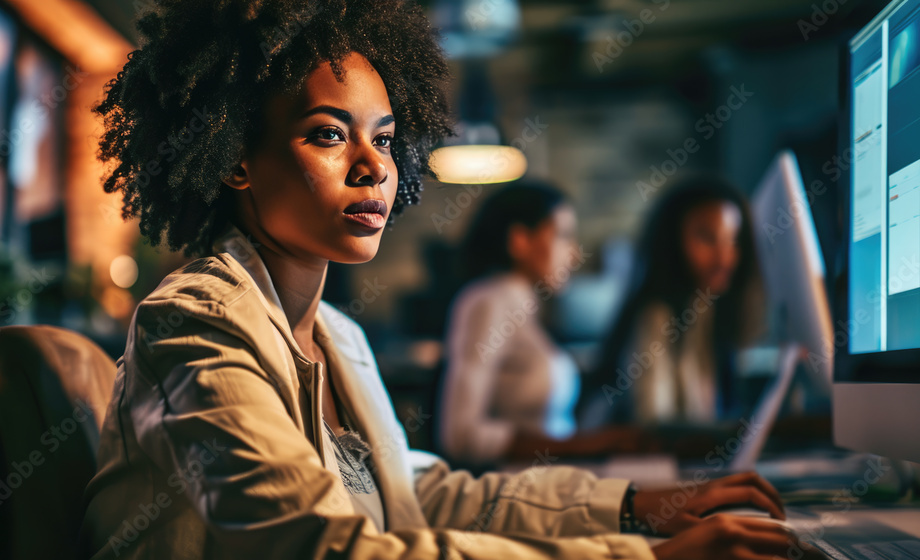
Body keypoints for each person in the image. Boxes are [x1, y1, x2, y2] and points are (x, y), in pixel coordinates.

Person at [79, 2, 810, 559]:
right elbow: (321, 546)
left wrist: (641, 505)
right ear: (235, 156)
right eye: (331, 134)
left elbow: (423, 492)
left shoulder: (340, 336)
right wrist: (642, 555)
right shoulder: (196, 320)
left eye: (386, 139)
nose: (375, 168)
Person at [438, 181, 658, 466]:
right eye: (563, 235)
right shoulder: (488, 302)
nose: (575, 254)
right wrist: (581, 446)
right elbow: (460, 435)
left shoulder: (524, 306)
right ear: (520, 240)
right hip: (519, 492)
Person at [585, 175, 764, 428]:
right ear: (671, 242)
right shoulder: (656, 315)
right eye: (707, 238)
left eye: (733, 239)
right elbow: (653, 423)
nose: (725, 257)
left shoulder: (709, 311)